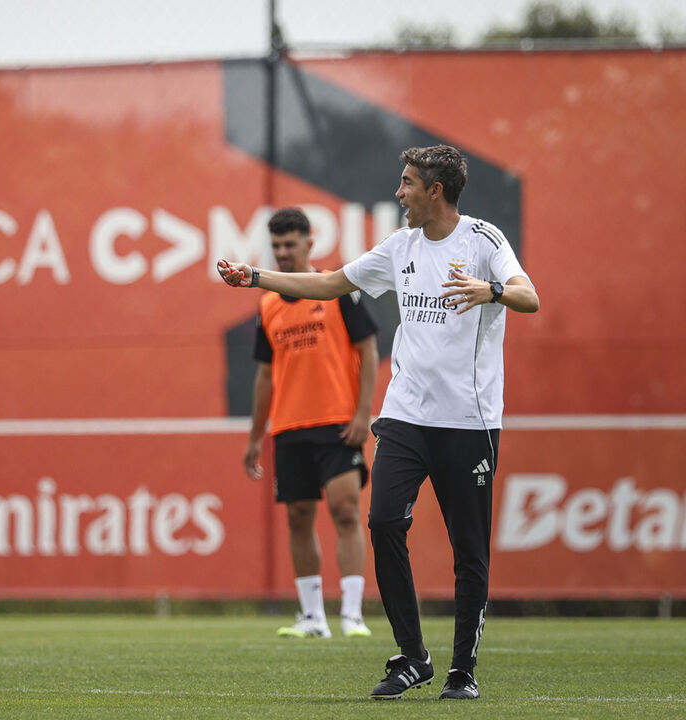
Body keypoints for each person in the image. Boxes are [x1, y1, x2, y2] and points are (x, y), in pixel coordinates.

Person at [217, 145, 539, 701]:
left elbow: (528, 297)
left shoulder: (483, 240)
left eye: (408, 183)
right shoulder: (400, 247)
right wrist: (255, 278)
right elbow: (329, 284)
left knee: (469, 552)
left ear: (434, 191)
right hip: (406, 416)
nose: (399, 193)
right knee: (385, 523)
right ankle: (414, 657)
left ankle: (463, 671)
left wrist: (488, 291)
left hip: (470, 422)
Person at [246, 207, 379, 640]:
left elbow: (369, 350)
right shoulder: (268, 305)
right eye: (277, 246)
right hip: (289, 427)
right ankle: (312, 618)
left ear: (309, 243)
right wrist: (254, 437)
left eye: (290, 244)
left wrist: (363, 413)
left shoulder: (336, 289)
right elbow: (265, 377)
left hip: (338, 422)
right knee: (299, 517)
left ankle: (353, 615)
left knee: (344, 511)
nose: (283, 253)